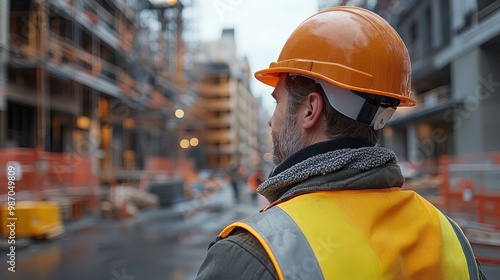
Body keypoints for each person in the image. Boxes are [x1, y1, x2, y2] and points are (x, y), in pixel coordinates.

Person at [196, 6, 487, 280]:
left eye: (278, 102)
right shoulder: (449, 236)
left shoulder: (252, 254)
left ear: (310, 110)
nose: (271, 121)